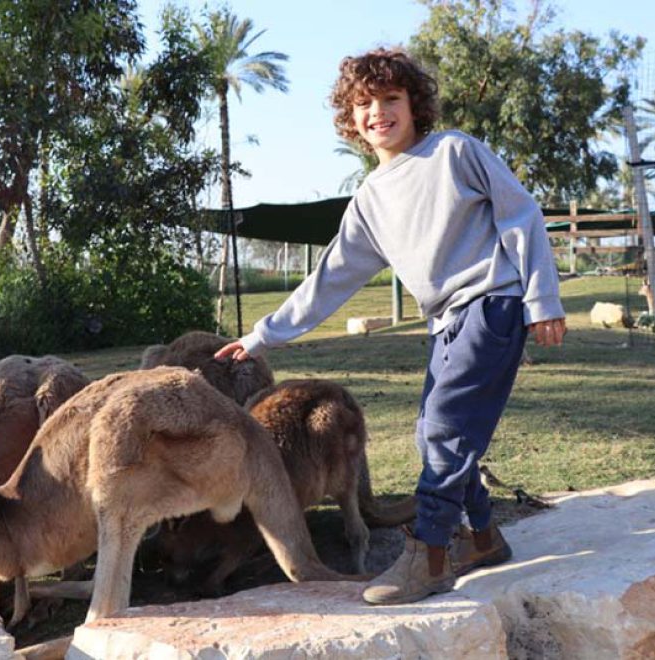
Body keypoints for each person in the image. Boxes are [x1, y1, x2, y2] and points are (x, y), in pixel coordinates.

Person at [214, 48, 567, 605]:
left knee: (445, 429)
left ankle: (427, 554)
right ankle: (481, 537)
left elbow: (520, 214)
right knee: (431, 430)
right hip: (447, 323)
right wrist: (262, 336)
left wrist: (541, 297)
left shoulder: (454, 151)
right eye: (364, 104)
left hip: (493, 304)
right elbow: (329, 279)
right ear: (351, 120)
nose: (378, 111)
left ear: (414, 104)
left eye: (390, 99)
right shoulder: (370, 200)